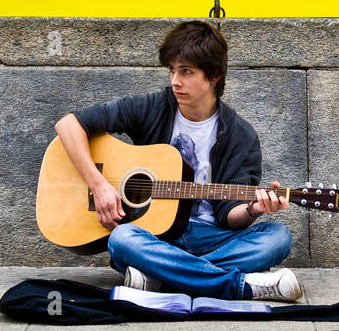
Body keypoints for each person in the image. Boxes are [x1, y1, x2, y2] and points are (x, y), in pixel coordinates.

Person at [52, 20, 302, 301]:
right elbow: (68, 125)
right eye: (172, 70)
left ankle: (160, 278)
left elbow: (229, 215)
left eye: (186, 71)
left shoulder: (240, 136)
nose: (174, 81)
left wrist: (254, 208)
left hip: (213, 239)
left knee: (277, 238)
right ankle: (239, 286)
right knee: (122, 239)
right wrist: (98, 184)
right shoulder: (153, 108)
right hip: (156, 237)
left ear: (214, 75)